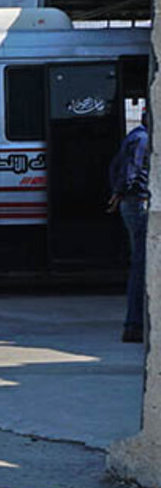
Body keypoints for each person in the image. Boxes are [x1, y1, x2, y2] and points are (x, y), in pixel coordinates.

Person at [110, 115, 151, 343]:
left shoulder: (134, 136)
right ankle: (134, 324)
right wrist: (122, 191)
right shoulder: (143, 140)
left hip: (132, 202)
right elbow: (130, 172)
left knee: (140, 262)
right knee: (142, 264)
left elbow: (115, 167)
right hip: (139, 202)